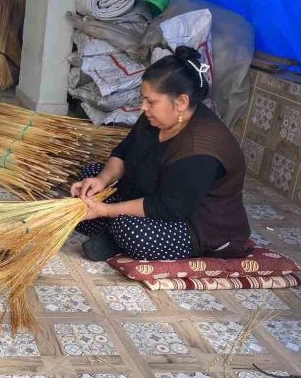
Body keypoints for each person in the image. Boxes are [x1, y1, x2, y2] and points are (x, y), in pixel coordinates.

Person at [71, 46, 250, 262]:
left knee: (129, 229)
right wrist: (101, 180)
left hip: (192, 223)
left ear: (181, 102)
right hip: (151, 193)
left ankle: (114, 235)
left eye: (151, 102)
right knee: (88, 178)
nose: (143, 107)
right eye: (143, 99)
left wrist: (106, 210)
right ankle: (111, 232)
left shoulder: (200, 148)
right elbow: (124, 151)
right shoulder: (155, 117)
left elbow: (166, 207)